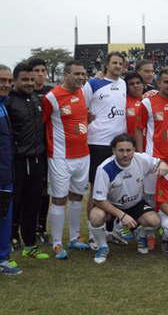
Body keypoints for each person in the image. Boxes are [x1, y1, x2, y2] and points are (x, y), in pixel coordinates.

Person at [89, 134, 168, 264]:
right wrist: (122, 215)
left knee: (154, 221)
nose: (125, 154)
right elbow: (98, 200)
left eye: (128, 150)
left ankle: (141, 234)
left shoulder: (141, 159)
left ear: (134, 150)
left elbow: (160, 162)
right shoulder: (104, 169)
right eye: (121, 150)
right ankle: (103, 246)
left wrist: (163, 166)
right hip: (113, 206)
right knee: (96, 216)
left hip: (136, 203)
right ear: (114, 151)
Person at [41, 60, 91, 259]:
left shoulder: (83, 92)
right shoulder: (51, 98)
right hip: (60, 156)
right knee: (59, 198)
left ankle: (75, 238)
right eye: (77, 74)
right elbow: (43, 124)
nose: (81, 78)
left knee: (77, 196)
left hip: (83, 154)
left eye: (83, 74)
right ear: (66, 74)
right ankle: (57, 243)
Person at [5, 63, 49, 259]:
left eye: (32, 79)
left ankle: (30, 244)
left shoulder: (36, 99)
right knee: (14, 203)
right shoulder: (8, 102)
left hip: (38, 159)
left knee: (33, 202)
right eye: (25, 79)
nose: (30, 83)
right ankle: (11, 239)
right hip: (17, 161)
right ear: (15, 81)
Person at [136, 67, 168, 201]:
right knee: (151, 196)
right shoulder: (147, 103)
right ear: (158, 83)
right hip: (153, 157)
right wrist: (142, 155)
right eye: (166, 82)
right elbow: (138, 129)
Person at [83, 53, 127, 212]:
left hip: (118, 144)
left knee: (116, 186)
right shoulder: (93, 83)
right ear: (107, 65)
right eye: (114, 63)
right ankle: (93, 228)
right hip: (98, 142)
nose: (117, 66)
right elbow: (82, 107)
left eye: (120, 63)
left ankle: (110, 228)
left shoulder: (123, 83)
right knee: (97, 187)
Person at [0, 64, 21, 275]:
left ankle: (3, 258)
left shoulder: (4, 104)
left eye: (7, 81)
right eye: (1, 80)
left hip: (6, 174)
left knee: (5, 217)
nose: (5, 84)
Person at [29, 58, 52, 244]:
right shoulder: (23, 92)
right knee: (28, 191)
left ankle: (41, 228)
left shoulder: (51, 92)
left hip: (48, 147)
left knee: (45, 191)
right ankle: (22, 228)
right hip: (29, 149)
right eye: (36, 70)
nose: (40, 73)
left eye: (43, 70)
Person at [124, 72, 144, 138]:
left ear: (142, 85)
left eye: (138, 83)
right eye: (131, 84)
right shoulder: (122, 102)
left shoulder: (150, 100)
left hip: (148, 144)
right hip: (129, 144)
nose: (136, 85)